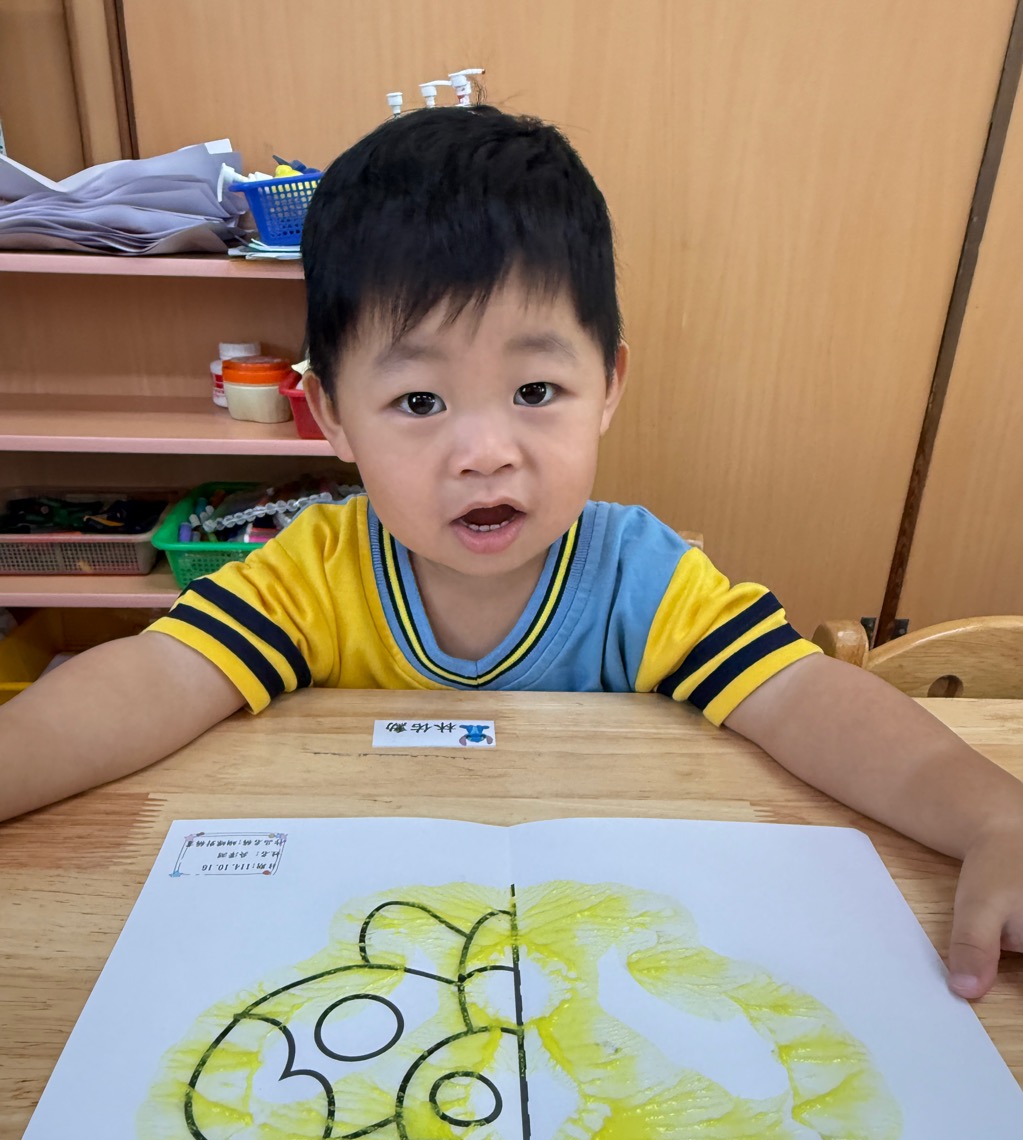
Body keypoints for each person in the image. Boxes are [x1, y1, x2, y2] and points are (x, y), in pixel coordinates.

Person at [2, 106, 1020, 999]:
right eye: (418, 401)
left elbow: (805, 696)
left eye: (536, 391)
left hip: (593, 959)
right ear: (331, 415)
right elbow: (150, 678)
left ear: (608, 384)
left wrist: (990, 818)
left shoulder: (640, 577)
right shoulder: (312, 574)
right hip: (379, 951)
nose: (485, 451)